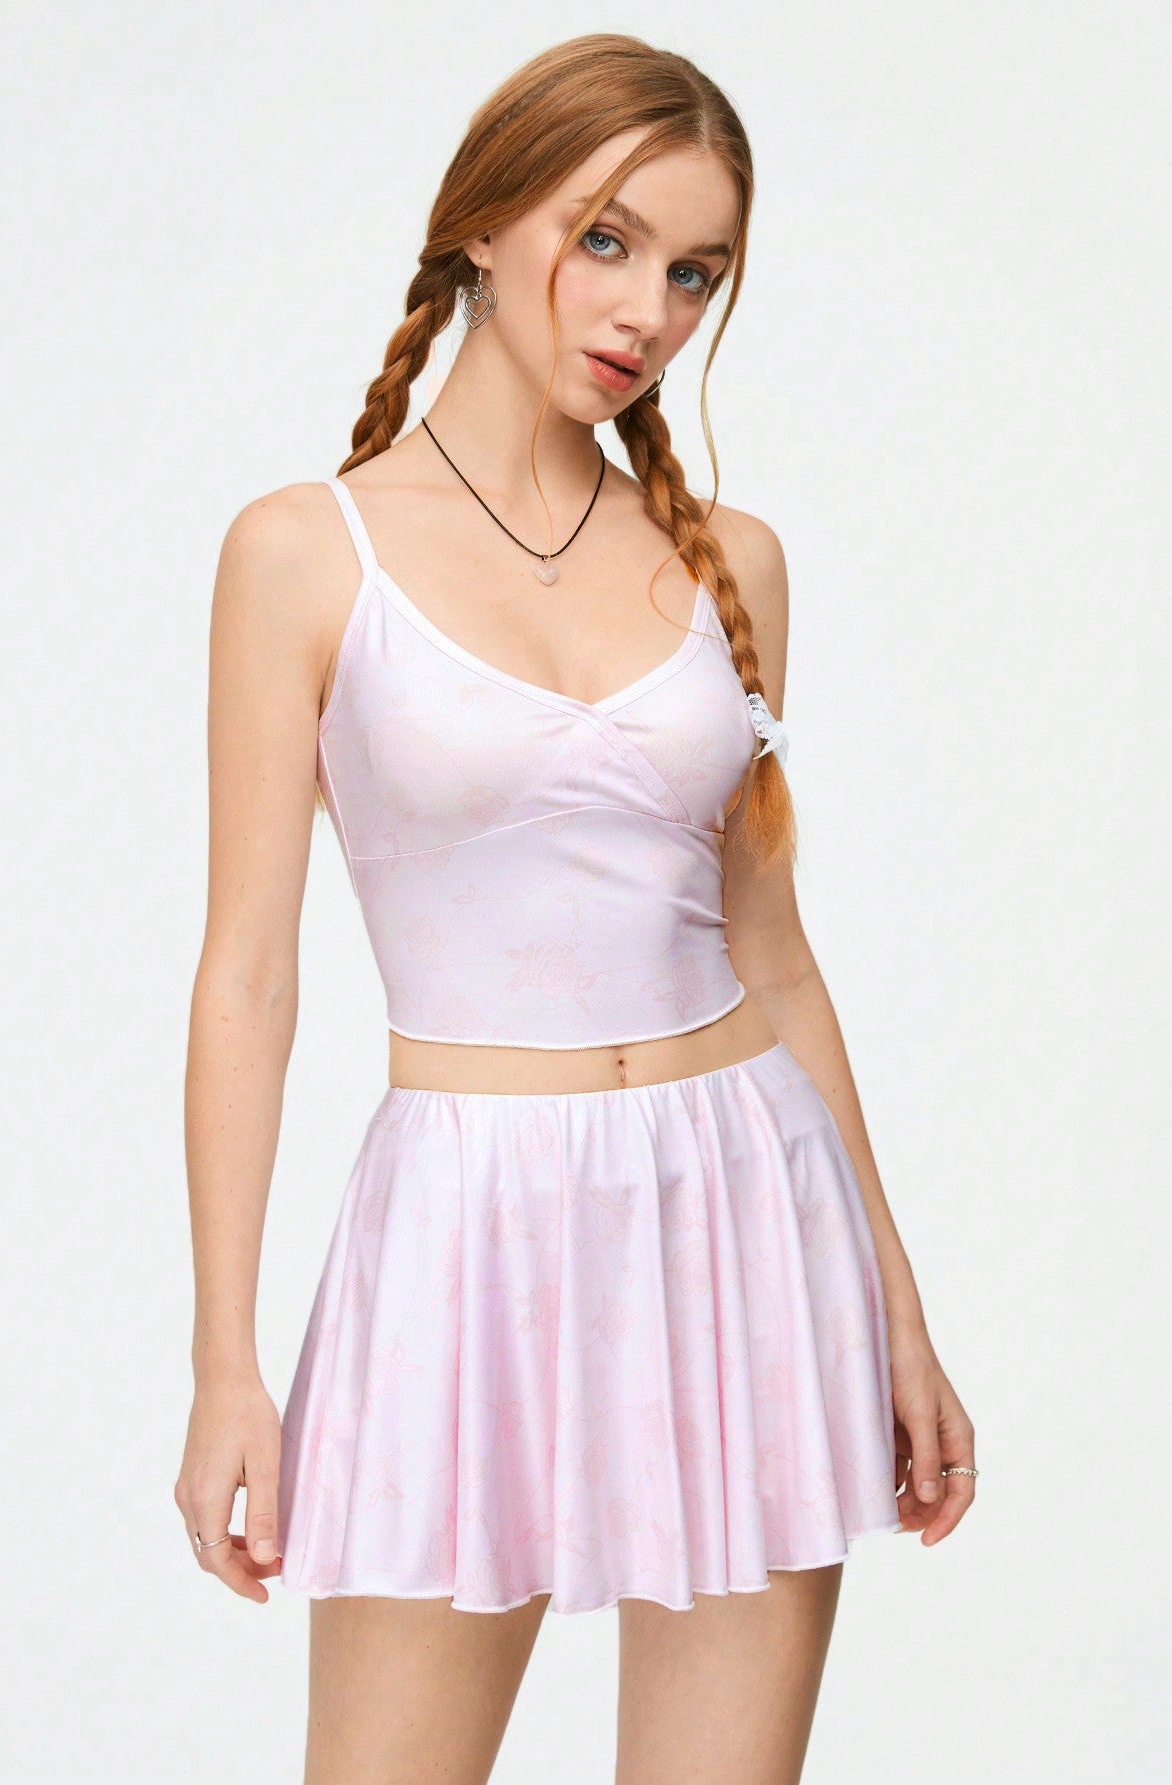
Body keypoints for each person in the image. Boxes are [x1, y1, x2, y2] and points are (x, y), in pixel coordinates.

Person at [177, 32, 976, 1785]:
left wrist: (898, 1306)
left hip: (745, 1207)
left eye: (694, 273)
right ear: (482, 220)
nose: (645, 311)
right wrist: (227, 1357)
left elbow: (776, 953)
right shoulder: (303, 552)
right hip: (462, 1229)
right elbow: (247, 979)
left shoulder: (730, 560)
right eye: (605, 238)